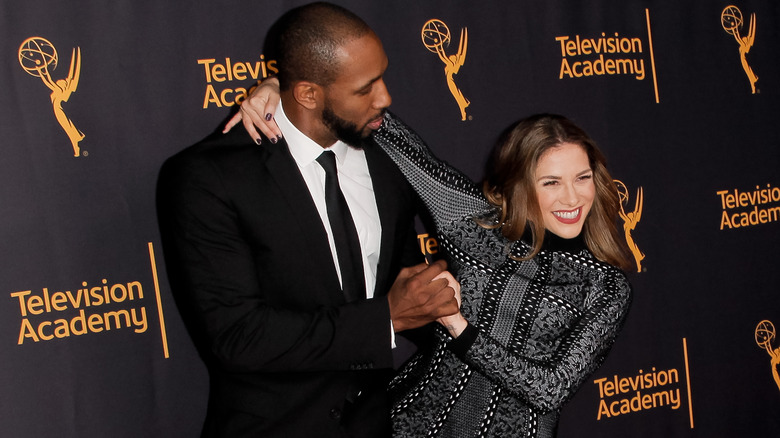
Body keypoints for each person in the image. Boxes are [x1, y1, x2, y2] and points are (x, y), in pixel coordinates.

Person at [232, 81, 634, 436]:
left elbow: (549, 390)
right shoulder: (473, 224)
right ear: (516, 186)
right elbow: (391, 134)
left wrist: (457, 325)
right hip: (405, 423)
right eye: (551, 183)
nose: (572, 197)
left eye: (582, 178)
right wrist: (284, 89)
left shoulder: (605, 286)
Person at [157, 3, 460, 437]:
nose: (386, 98)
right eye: (365, 88)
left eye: (382, 76)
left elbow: (407, 283)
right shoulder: (210, 177)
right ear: (307, 94)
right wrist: (384, 320)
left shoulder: (387, 155)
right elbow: (238, 337)